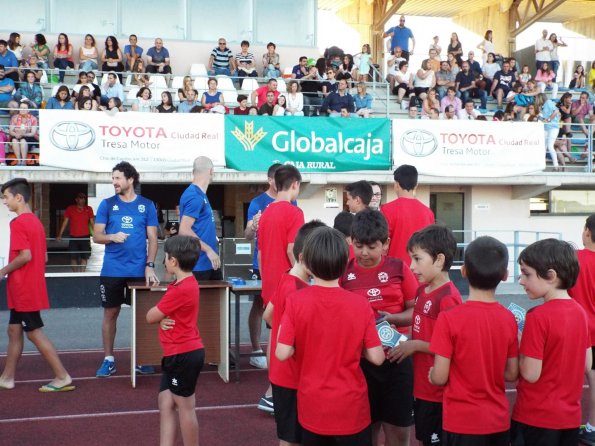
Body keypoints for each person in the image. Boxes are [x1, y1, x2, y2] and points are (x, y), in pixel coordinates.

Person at [276, 226, 385, 445]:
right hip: (351, 407)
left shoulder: (296, 302)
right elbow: (377, 357)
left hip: (312, 405)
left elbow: (282, 352)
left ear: (308, 262)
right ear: (346, 261)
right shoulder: (360, 305)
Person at [429, 236, 519, 445]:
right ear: (505, 275)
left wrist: (432, 374)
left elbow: (440, 377)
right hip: (498, 420)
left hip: (461, 421)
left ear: (463, 272)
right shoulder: (508, 319)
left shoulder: (449, 318)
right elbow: (512, 373)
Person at [340, 209, 417, 446]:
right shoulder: (344, 271)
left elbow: (415, 311)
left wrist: (392, 319)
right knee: (365, 431)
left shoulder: (399, 268)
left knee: (398, 430)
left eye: (371, 246)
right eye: (359, 245)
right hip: (361, 363)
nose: (364, 253)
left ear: (386, 244)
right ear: (351, 242)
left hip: (398, 359)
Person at [510, 239, 590, 445]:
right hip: (570, 417)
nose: (521, 280)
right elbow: (587, 364)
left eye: (527, 274)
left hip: (535, 416)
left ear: (551, 276)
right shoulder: (580, 313)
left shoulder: (538, 316)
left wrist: (518, 343)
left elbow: (530, 373)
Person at [387, 224, 462, 446]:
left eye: (417, 259)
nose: (411, 266)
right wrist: (391, 321)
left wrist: (416, 345)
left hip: (437, 391)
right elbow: (420, 322)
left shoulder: (448, 298)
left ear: (439, 260)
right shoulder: (422, 290)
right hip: (421, 386)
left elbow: (452, 346)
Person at [0, 178, 75, 392]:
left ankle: (62, 376)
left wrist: (3, 271)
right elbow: (43, 258)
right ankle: (7, 377)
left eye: (6, 197)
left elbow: (25, 256)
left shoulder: (18, 223)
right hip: (26, 286)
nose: (4, 201)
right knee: (14, 330)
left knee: (33, 332)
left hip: (23, 288)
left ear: (18, 197)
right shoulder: (35, 222)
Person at [263, 220, 325, 446]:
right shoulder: (300, 291)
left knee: (289, 436)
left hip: (282, 375)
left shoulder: (286, 277)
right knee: (292, 438)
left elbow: (268, 315)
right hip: (294, 377)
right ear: (302, 256)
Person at [94, 162, 159, 377]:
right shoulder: (107, 204)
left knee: (143, 315)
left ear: (130, 179)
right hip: (112, 270)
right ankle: (109, 359)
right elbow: (97, 236)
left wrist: (150, 266)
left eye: (117, 178)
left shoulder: (147, 205)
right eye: (113, 178)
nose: (114, 182)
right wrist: (111, 236)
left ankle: (142, 357)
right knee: (111, 313)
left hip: (138, 271)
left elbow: (153, 239)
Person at [146, 236, 204, 446]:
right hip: (176, 353)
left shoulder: (181, 289)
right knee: (165, 401)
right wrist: (162, 320)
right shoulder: (183, 283)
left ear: (173, 262)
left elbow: (151, 316)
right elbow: (165, 316)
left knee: (185, 406)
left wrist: (159, 318)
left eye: (165, 257)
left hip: (183, 355)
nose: (163, 261)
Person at [257, 165, 305, 412]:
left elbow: (262, 251)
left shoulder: (266, 213)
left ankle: (272, 390)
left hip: (271, 285)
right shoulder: (294, 212)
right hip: (289, 285)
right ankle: (274, 392)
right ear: (295, 183)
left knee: (275, 336)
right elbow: (292, 250)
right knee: (288, 340)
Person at [569, 216, 595, 445]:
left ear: (587, 232)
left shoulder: (575, 260)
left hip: (576, 331)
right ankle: (592, 427)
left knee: (567, 379)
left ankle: (564, 423)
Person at [178, 157, 221, 282]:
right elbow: (184, 230)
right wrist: (208, 250)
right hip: (199, 265)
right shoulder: (194, 195)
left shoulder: (200, 195)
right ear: (211, 171)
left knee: (219, 300)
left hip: (209, 262)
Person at [381, 165, 435, 265]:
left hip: (395, 269)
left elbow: (382, 244)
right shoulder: (428, 212)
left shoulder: (387, 210)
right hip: (422, 270)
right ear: (416, 185)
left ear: (396, 184)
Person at [56, 193, 95, 272]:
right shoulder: (70, 209)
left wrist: (96, 234)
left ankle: (82, 274)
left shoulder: (89, 209)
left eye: (84, 198)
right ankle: (75, 274)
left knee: (85, 257)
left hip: (85, 237)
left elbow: (92, 223)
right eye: (80, 198)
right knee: (73, 257)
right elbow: (65, 222)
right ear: (76, 199)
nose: (83, 199)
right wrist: (59, 235)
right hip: (73, 237)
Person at [534, 92, 561, 170]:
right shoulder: (542, 106)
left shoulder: (548, 102)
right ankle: (542, 165)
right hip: (546, 127)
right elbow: (544, 120)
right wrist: (539, 117)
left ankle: (556, 166)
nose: (536, 100)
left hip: (553, 127)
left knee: (549, 146)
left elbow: (556, 111)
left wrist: (549, 119)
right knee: (544, 147)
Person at [9, 101, 38, 166]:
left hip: (29, 136)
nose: (22, 110)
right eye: (21, 107)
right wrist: (16, 134)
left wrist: (23, 134)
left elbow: (33, 133)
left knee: (23, 140)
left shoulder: (33, 119)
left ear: (28, 110)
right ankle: (19, 161)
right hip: (17, 135)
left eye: (24, 108)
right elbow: (11, 131)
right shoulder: (14, 117)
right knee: (14, 140)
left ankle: (24, 162)